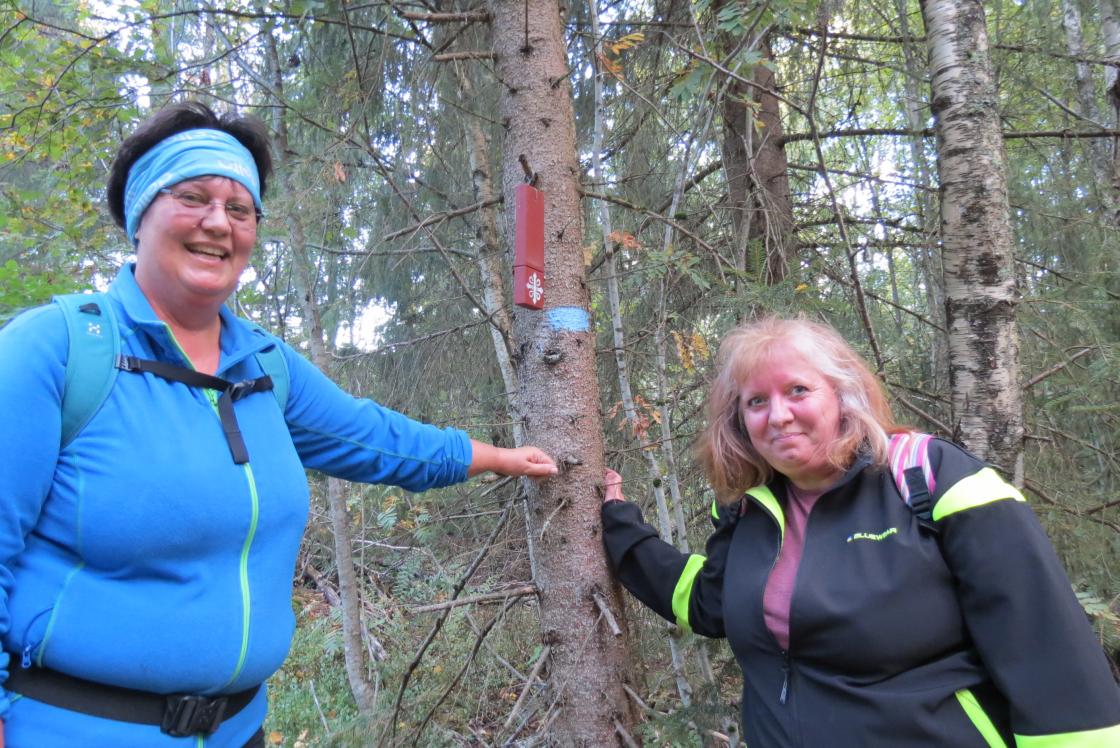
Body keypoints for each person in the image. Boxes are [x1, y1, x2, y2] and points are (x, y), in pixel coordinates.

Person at [0, 102, 557, 748]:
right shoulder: (56, 349)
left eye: (240, 209)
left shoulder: (263, 365)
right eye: (192, 197)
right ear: (139, 214)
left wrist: (498, 458)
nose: (218, 222)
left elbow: (373, 438)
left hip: (240, 731)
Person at [601, 317, 1120, 747]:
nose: (778, 416)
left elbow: (1051, 655)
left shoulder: (932, 479)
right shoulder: (749, 510)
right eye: (756, 401)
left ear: (843, 394)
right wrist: (620, 528)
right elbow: (709, 602)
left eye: (797, 390)